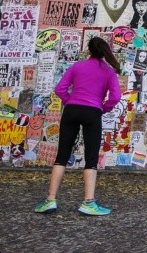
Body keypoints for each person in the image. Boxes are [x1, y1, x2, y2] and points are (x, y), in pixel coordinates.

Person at [34, 37, 122, 216]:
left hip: (72, 110)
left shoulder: (76, 66)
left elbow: (60, 89)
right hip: (93, 112)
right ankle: (88, 202)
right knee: (90, 158)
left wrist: (70, 101)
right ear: (104, 51)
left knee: (62, 155)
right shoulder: (109, 72)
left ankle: (50, 200)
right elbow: (115, 97)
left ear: (88, 50)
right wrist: (103, 108)